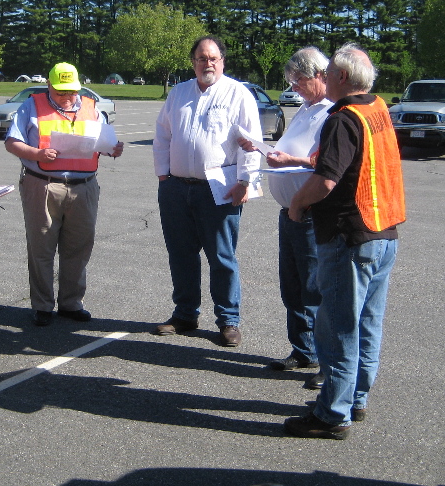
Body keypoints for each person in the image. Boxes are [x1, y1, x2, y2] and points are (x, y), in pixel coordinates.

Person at [283, 43, 405, 439]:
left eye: (329, 72)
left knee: (336, 328)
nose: (325, 76)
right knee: (367, 323)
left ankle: (333, 414)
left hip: (351, 236)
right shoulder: (379, 108)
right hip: (383, 231)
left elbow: (326, 180)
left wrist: (298, 205)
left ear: (341, 78)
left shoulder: (343, 119)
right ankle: (355, 398)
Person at [152, 35, 261, 346]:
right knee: (181, 254)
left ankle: (228, 320)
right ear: (193, 62)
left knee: (222, 257)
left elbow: (251, 142)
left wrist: (245, 181)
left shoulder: (238, 94)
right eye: (201, 58)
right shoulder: (179, 93)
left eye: (213, 58)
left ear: (222, 61)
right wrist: (163, 176)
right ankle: (185, 314)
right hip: (176, 187)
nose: (207, 63)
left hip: (220, 189)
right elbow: (163, 135)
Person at [238, 47, 332, 389]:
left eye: (300, 80)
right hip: (289, 212)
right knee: (292, 286)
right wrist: (264, 150)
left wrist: (289, 159)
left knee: (316, 289)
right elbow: (295, 154)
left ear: (321, 75)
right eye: (292, 80)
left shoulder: (332, 112)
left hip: (312, 213)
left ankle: (327, 361)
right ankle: (303, 349)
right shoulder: (306, 109)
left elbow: (325, 165)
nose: (296, 87)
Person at [5, 62, 123, 326]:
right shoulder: (30, 106)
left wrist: (113, 149)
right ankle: (43, 306)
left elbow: (105, 143)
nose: (67, 97)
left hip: (84, 187)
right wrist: (35, 153)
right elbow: (12, 142)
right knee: (41, 248)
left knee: (78, 248)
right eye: (61, 92)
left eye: (71, 92)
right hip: (43, 184)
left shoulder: (92, 109)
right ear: (49, 85)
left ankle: (71, 303)